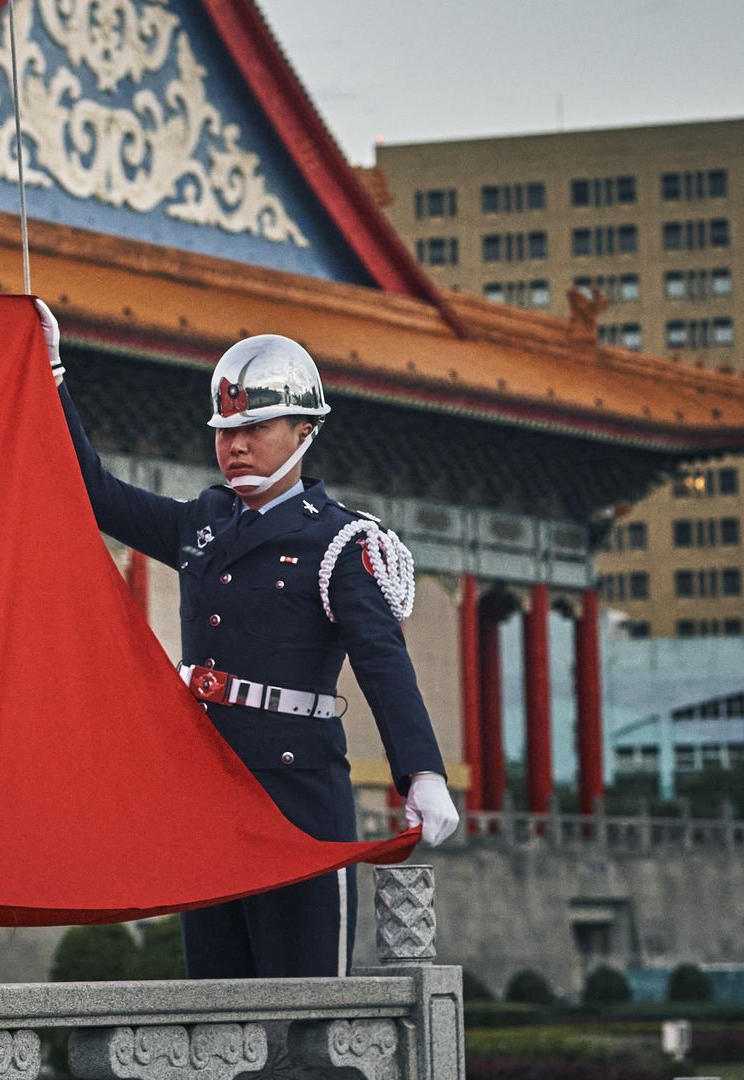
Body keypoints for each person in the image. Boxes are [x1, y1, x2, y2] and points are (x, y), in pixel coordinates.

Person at [36, 306, 460, 978]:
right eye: (224, 430)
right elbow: (91, 493)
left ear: (304, 430)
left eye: (255, 428)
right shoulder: (203, 523)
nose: (234, 445)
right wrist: (52, 376)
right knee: (217, 999)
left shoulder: (341, 543)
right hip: (208, 789)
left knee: (306, 998)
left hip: (297, 793)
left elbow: (382, 660)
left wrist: (423, 772)